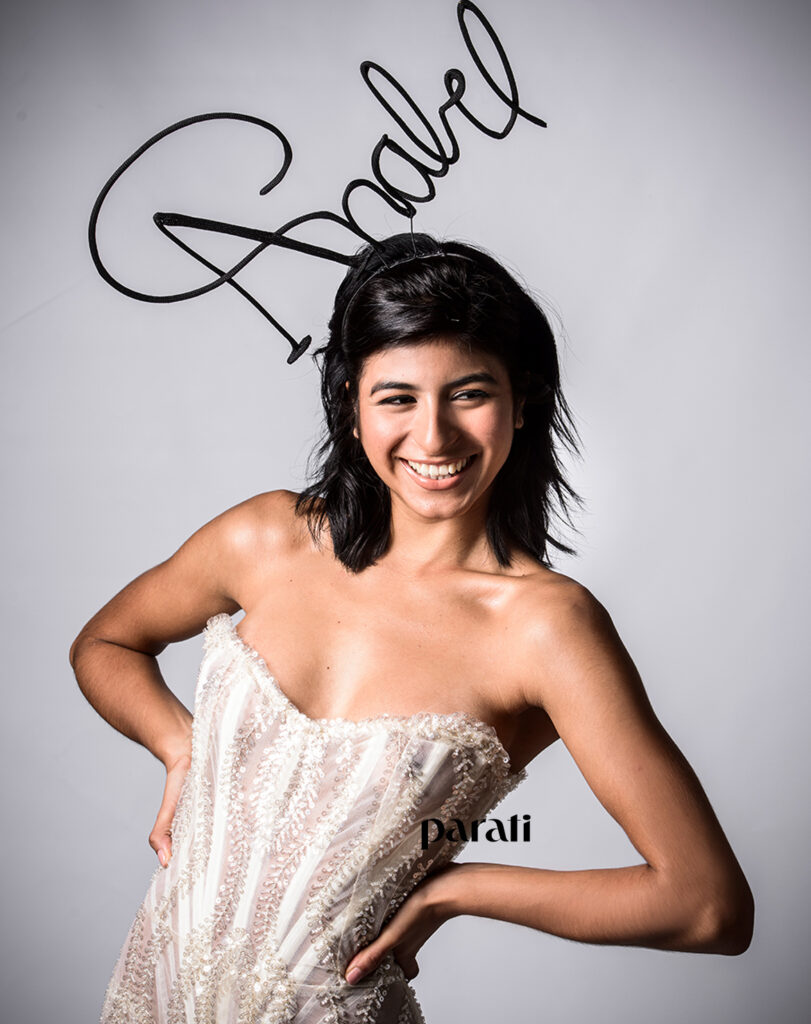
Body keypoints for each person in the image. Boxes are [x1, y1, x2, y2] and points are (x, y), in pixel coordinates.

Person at [71, 232, 754, 1023]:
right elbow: (104, 644)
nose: (433, 438)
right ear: (351, 405)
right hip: (154, 998)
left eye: (469, 393)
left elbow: (706, 905)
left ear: (521, 401)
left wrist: (459, 890)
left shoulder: (544, 627)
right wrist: (182, 749)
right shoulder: (263, 539)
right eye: (397, 397)